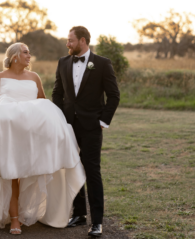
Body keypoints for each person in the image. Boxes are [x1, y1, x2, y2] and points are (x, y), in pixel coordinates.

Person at [0, 42, 86, 235]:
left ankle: (37, 211)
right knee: (11, 174)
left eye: (29, 52)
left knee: (30, 173)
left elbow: (41, 102)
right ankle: (15, 220)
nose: (29, 55)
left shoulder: (34, 77)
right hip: (9, 134)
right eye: (25, 52)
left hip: (30, 135)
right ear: (14, 57)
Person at [52, 26, 120, 237]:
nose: (67, 44)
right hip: (69, 126)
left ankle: (97, 221)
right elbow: (57, 93)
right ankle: (79, 214)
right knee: (72, 167)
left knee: (92, 171)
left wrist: (103, 121)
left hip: (92, 126)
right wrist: (60, 120)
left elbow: (114, 95)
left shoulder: (102, 64)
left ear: (82, 41)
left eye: (70, 40)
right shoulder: (63, 62)